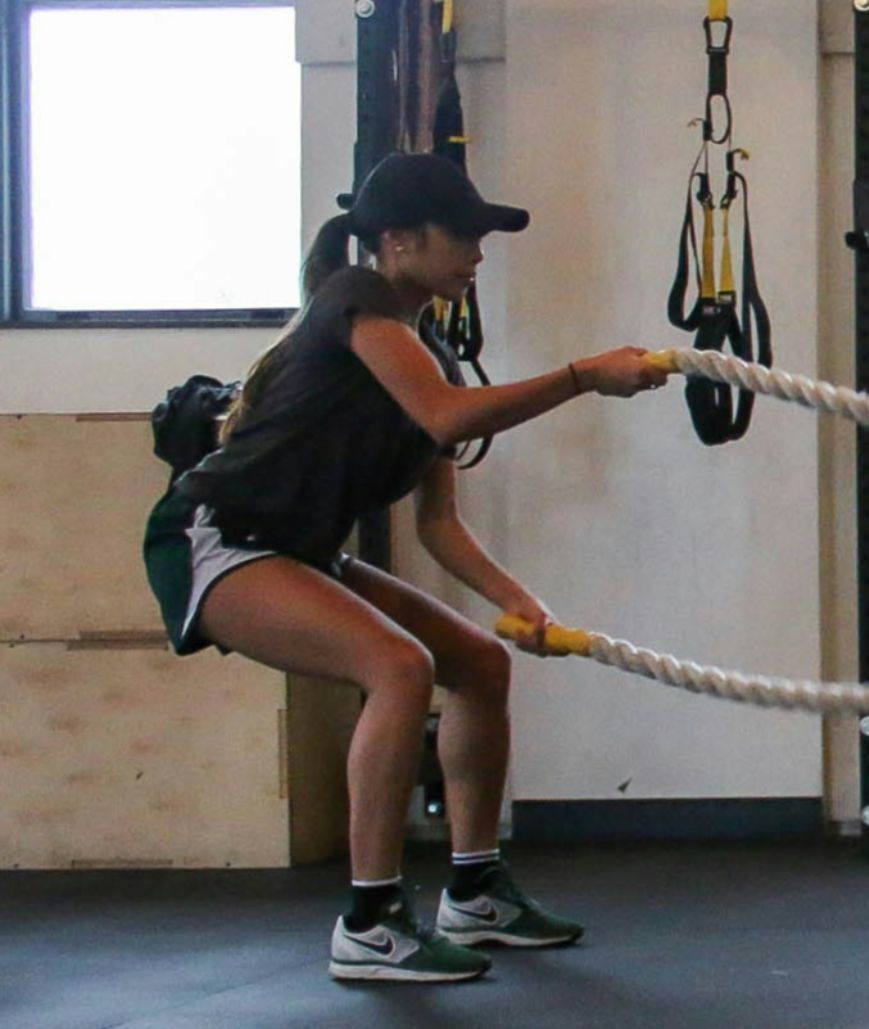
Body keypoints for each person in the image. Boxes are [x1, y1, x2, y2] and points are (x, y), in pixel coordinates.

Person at [143, 152, 670, 983]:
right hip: (217, 538)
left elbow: (438, 525)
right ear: (397, 241)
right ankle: (369, 922)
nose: (478, 253)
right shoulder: (355, 304)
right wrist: (581, 377)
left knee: (480, 662)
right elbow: (446, 417)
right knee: (398, 667)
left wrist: (521, 601)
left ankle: (476, 891)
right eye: (460, 235)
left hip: (300, 551)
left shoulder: (433, 357)